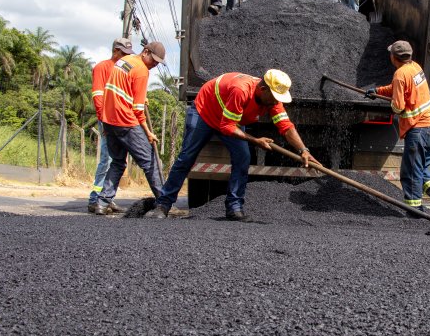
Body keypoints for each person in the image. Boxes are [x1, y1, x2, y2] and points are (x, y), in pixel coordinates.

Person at [150, 70, 318, 222]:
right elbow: (227, 127)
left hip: (230, 120)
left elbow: (286, 126)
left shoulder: (272, 101)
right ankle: (163, 205)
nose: (276, 102)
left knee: (242, 157)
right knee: (187, 157)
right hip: (205, 112)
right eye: (274, 97)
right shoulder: (241, 90)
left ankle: (234, 208)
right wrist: (256, 141)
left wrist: (304, 150)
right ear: (263, 89)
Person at [94, 41, 187, 216]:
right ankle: (164, 203)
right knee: (151, 161)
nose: (154, 65)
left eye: (158, 63)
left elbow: (120, 90)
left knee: (118, 162)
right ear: (145, 52)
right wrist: (148, 132)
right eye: (154, 60)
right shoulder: (142, 70)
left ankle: (102, 203)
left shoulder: (124, 62)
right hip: (125, 121)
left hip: (109, 120)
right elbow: (137, 110)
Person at [366, 40, 430, 218]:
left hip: (418, 129)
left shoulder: (399, 74)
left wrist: (394, 103)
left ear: (393, 57)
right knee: (418, 168)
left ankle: (415, 211)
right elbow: (398, 88)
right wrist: (378, 91)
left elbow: (398, 107)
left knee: (411, 172)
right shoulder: (415, 68)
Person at [87, 36, 134, 213]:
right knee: (107, 159)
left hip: (121, 120)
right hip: (107, 120)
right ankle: (95, 199)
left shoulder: (125, 69)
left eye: (128, 54)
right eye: (123, 53)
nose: (126, 57)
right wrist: (103, 121)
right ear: (115, 51)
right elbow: (98, 96)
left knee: (118, 160)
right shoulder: (102, 67)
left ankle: (107, 198)